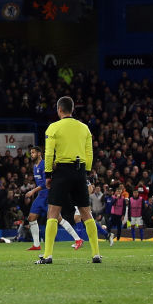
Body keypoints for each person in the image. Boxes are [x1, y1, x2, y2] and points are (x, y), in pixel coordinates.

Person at [35, 96, 101, 264]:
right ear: (72, 110)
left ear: (59, 110)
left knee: (53, 212)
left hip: (62, 172)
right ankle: (96, 254)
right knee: (86, 212)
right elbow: (89, 153)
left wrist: (48, 175)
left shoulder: (53, 128)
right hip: (80, 171)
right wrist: (85, 173)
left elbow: (49, 153)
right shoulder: (84, 128)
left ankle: (48, 255)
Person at [25, 145, 83, 251]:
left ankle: (78, 239)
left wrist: (32, 191)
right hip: (40, 196)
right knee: (31, 218)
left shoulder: (44, 165)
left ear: (39, 153)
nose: (31, 155)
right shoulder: (35, 166)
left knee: (58, 218)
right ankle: (36, 245)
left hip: (48, 195)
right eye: (31, 153)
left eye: (33, 153)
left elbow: (45, 183)